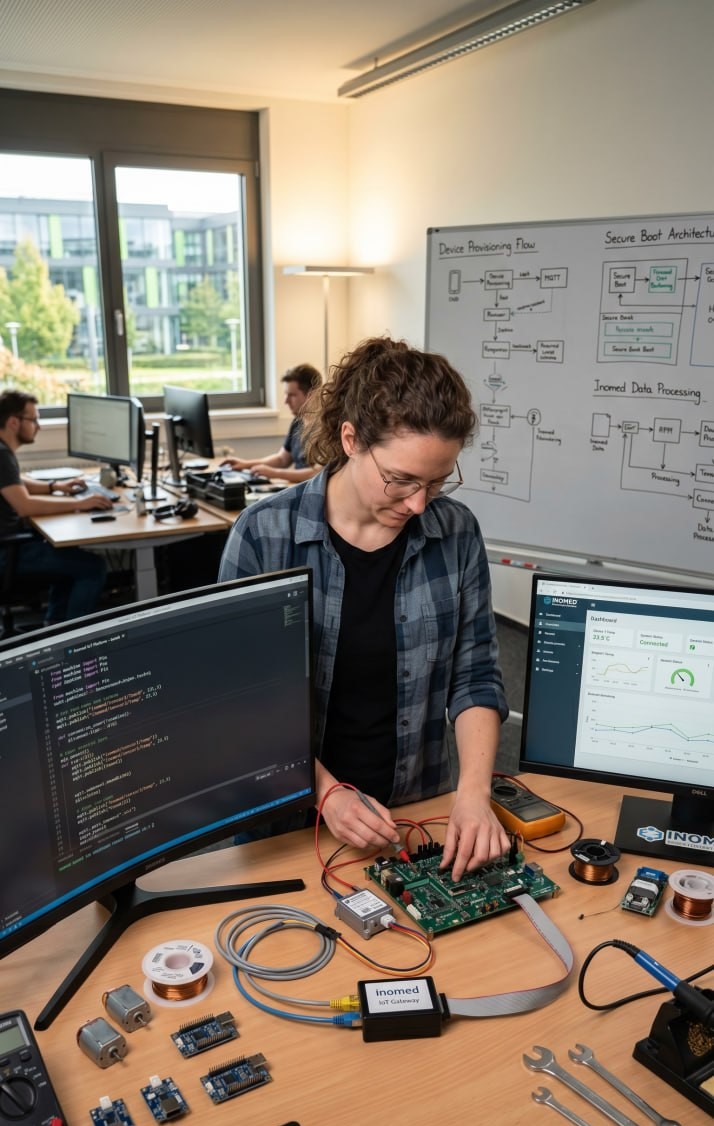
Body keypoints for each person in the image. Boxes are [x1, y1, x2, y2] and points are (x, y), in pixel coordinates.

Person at [219, 337, 509, 881]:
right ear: (350, 439)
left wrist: (473, 794)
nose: (419, 504)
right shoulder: (264, 535)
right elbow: (242, 703)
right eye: (400, 479)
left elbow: (476, 674)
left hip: (415, 813)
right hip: (288, 823)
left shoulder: (456, 530)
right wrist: (326, 796)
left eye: (437, 481)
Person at [0, 390, 112, 625]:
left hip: (10, 545)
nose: (38, 427)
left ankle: (55, 628)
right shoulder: (2, 456)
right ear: (13, 422)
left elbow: (16, 483)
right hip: (6, 554)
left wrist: (54, 486)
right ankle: (72, 639)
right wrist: (79, 504)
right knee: (92, 568)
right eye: (33, 420)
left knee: (68, 563)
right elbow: (24, 506)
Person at [220, 363, 322, 483]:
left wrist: (274, 473)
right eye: (285, 394)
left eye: (292, 395)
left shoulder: (327, 427)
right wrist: (244, 464)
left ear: (311, 395)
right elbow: (282, 459)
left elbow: (317, 473)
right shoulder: (297, 422)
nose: (286, 401)